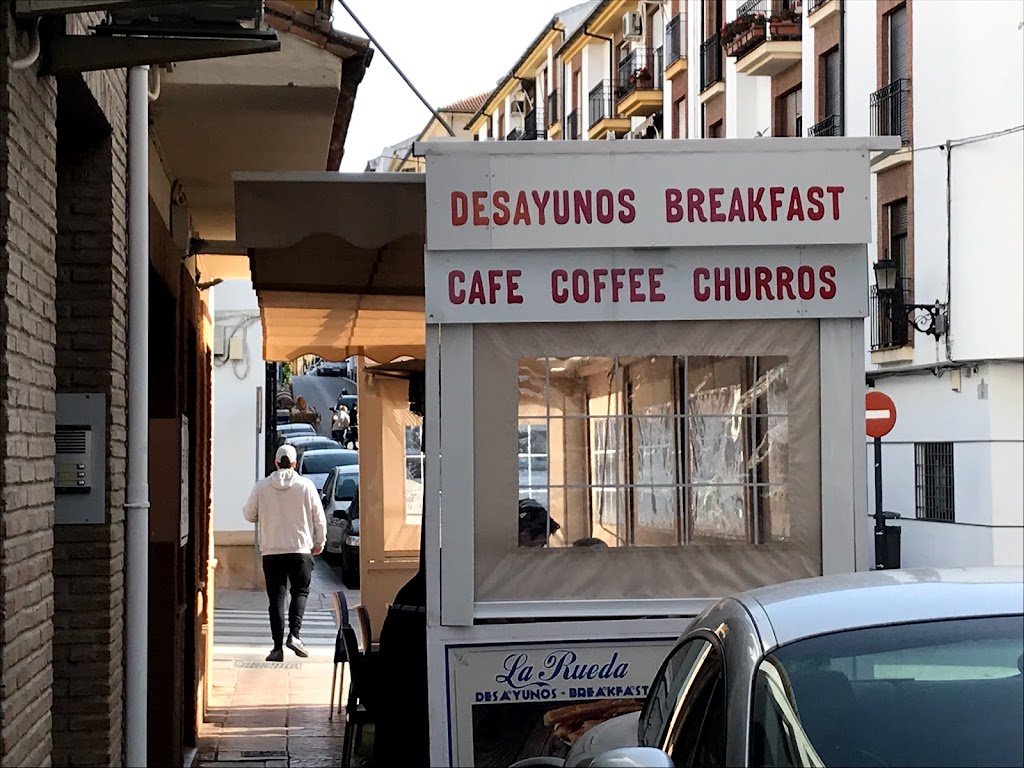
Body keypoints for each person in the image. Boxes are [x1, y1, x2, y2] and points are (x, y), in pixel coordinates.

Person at [243, 444, 327, 662]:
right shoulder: (306, 486)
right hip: (300, 549)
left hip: (271, 551)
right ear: (294, 464)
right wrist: (319, 542)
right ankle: (295, 635)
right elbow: (319, 518)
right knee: (300, 592)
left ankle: (277, 647)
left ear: (275, 463)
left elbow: (248, 514)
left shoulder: (262, 487)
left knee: (276, 599)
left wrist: (265, 514)